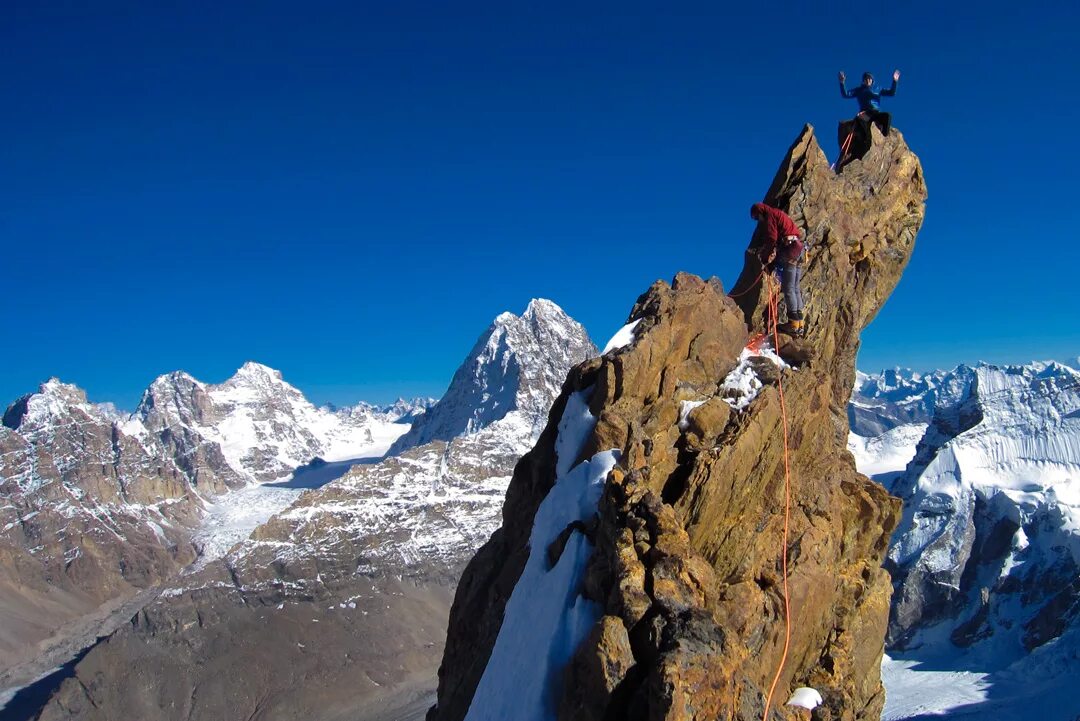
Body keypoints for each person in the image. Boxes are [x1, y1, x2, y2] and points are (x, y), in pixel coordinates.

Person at [750, 202, 805, 337]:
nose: (759, 221)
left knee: (789, 288)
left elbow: (772, 238)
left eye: (757, 218)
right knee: (795, 288)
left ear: (760, 213)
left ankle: (793, 325)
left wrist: (765, 259)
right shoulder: (779, 214)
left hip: (791, 250)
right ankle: (799, 324)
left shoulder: (770, 216)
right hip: (800, 249)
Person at [839, 69, 900, 135]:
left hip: (876, 112)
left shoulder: (878, 88)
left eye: (869, 79)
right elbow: (846, 94)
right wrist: (842, 83)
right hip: (865, 113)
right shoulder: (859, 90)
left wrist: (895, 81)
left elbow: (891, 93)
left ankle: (884, 135)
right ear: (863, 81)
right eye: (866, 79)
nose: (868, 81)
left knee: (888, 116)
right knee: (863, 124)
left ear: (872, 80)